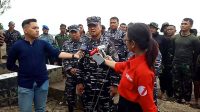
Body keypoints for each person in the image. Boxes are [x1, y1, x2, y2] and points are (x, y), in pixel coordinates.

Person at [6, 18, 81, 112]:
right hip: (25, 84)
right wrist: (21, 70)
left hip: (42, 83)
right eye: (34, 28)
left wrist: (74, 55)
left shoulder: (42, 43)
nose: (37, 30)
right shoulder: (17, 46)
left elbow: (56, 53)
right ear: (25, 30)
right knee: (25, 110)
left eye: (38, 27)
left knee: (41, 109)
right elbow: (9, 64)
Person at [103, 23, 158, 112]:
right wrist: (98, 58)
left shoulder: (143, 72)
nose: (125, 41)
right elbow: (118, 65)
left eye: (126, 40)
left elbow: (148, 106)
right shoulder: (133, 61)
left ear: (132, 43)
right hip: (124, 104)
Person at [76, 16, 119, 112]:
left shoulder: (108, 43)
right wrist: (79, 82)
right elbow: (80, 64)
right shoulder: (84, 44)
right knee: (88, 108)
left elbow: (116, 65)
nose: (92, 28)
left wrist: (115, 85)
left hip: (104, 86)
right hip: (88, 86)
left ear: (100, 26)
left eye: (94, 25)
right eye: (90, 26)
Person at [171, 18, 200, 104]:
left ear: (190, 26)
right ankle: (178, 98)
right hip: (176, 63)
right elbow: (172, 50)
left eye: (185, 24)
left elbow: (197, 53)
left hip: (188, 64)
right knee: (176, 81)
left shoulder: (194, 39)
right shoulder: (175, 37)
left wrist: (193, 64)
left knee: (187, 83)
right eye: (182, 23)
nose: (183, 25)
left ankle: (187, 99)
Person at [62, 25, 83, 112]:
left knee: (84, 95)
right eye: (72, 32)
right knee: (70, 96)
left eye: (75, 32)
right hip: (70, 74)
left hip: (82, 75)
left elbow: (90, 57)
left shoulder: (85, 42)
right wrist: (70, 69)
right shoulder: (66, 44)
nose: (74, 34)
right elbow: (63, 58)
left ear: (79, 32)